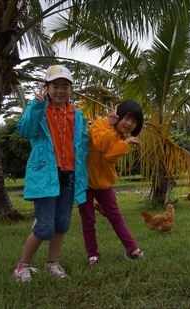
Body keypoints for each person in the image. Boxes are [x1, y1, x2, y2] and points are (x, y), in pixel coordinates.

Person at [13, 64, 89, 282]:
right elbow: (25, 131)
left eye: (65, 86)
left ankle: (51, 263)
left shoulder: (77, 114)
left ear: (71, 90)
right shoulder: (38, 108)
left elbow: (83, 143)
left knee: (62, 223)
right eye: (55, 85)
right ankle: (22, 266)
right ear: (47, 87)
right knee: (45, 225)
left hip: (69, 175)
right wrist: (36, 106)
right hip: (46, 175)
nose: (60, 90)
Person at [79, 99, 145, 267]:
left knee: (116, 217)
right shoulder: (100, 123)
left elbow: (109, 157)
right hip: (84, 182)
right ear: (119, 115)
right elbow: (100, 144)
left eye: (134, 121)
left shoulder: (121, 138)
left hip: (103, 183)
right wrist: (110, 125)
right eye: (127, 118)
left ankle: (132, 249)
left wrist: (125, 142)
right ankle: (92, 255)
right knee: (88, 220)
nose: (129, 123)